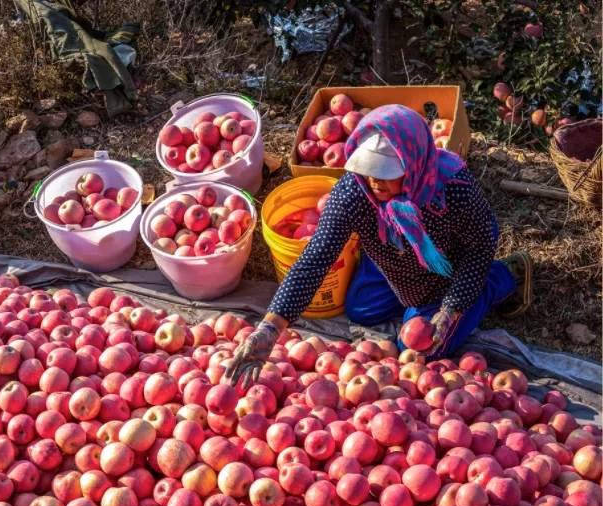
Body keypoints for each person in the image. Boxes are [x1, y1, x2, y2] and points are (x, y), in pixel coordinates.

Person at [225, 104, 531, 387]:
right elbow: (314, 259)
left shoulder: (451, 190)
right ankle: (409, 291)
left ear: (414, 163)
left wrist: (450, 309)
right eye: (369, 170)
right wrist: (269, 328)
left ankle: (501, 277)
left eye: (386, 172)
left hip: (448, 263)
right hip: (394, 253)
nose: (375, 182)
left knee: (421, 349)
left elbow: (479, 248)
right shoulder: (354, 190)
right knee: (359, 310)